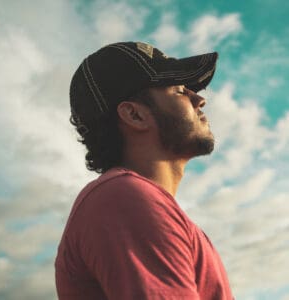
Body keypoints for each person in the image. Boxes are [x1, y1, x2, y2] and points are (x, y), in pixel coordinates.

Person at [55, 41, 234, 300]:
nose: (199, 99)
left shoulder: (133, 201)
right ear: (135, 115)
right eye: (180, 90)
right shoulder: (123, 198)